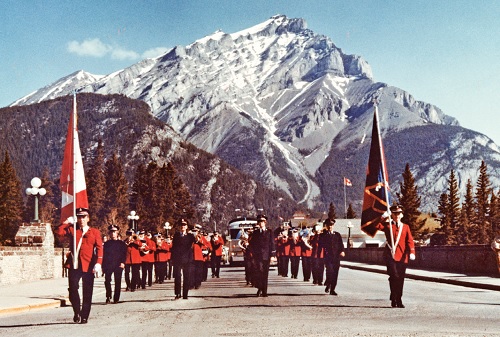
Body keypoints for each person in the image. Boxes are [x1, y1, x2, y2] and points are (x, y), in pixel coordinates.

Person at [56, 207, 103, 324]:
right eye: (79, 217)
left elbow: (99, 248)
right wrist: (66, 222)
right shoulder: (72, 230)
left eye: (84, 217)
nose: (81, 220)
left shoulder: (95, 232)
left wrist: (98, 263)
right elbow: (59, 233)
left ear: (88, 218)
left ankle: (85, 315)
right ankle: (77, 311)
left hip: (88, 265)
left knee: (87, 292)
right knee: (72, 289)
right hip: (74, 264)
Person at [378, 205, 416, 308]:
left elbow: (410, 241)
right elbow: (376, 225)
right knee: (394, 276)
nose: (397, 215)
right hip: (390, 256)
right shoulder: (388, 226)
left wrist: (412, 252)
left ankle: (398, 298)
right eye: (394, 213)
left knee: (400, 279)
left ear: (401, 215)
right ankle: (394, 297)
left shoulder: (406, 227)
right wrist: (384, 217)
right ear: (392, 215)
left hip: (403, 256)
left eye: (398, 213)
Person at [248, 214, 275, 297]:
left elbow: (272, 243)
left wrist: (273, 255)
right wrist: (253, 254)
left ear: (265, 222)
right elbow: (252, 244)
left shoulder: (269, 232)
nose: (260, 223)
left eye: (262, 221)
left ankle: (264, 291)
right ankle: (260, 287)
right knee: (259, 272)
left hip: (266, 255)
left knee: (265, 273)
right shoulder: (255, 233)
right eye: (259, 221)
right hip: (258, 256)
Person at [317, 219, 345, 295]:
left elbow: (341, 244)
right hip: (328, 257)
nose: (330, 227)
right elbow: (320, 246)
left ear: (333, 225)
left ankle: (332, 289)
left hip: (336, 257)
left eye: (331, 225)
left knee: (335, 273)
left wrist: (342, 251)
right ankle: (328, 283)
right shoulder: (323, 235)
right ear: (326, 226)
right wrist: (319, 256)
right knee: (330, 271)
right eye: (328, 225)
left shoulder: (337, 235)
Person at [102, 224, 127, 304]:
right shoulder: (106, 244)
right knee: (107, 281)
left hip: (118, 265)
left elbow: (124, 254)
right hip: (108, 265)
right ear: (109, 233)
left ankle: (116, 298)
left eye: (114, 232)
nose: (113, 234)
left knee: (117, 281)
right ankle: (108, 296)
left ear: (117, 233)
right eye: (111, 232)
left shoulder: (121, 243)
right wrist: (103, 266)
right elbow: (104, 255)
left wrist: (123, 263)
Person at [171, 218, 195, 299]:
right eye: (181, 225)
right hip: (178, 259)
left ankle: (185, 294)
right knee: (177, 277)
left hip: (187, 259)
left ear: (187, 227)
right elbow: (173, 248)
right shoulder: (176, 236)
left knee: (186, 277)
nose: (183, 227)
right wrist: (172, 259)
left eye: (184, 225)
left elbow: (194, 242)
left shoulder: (190, 236)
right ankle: (177, 293)